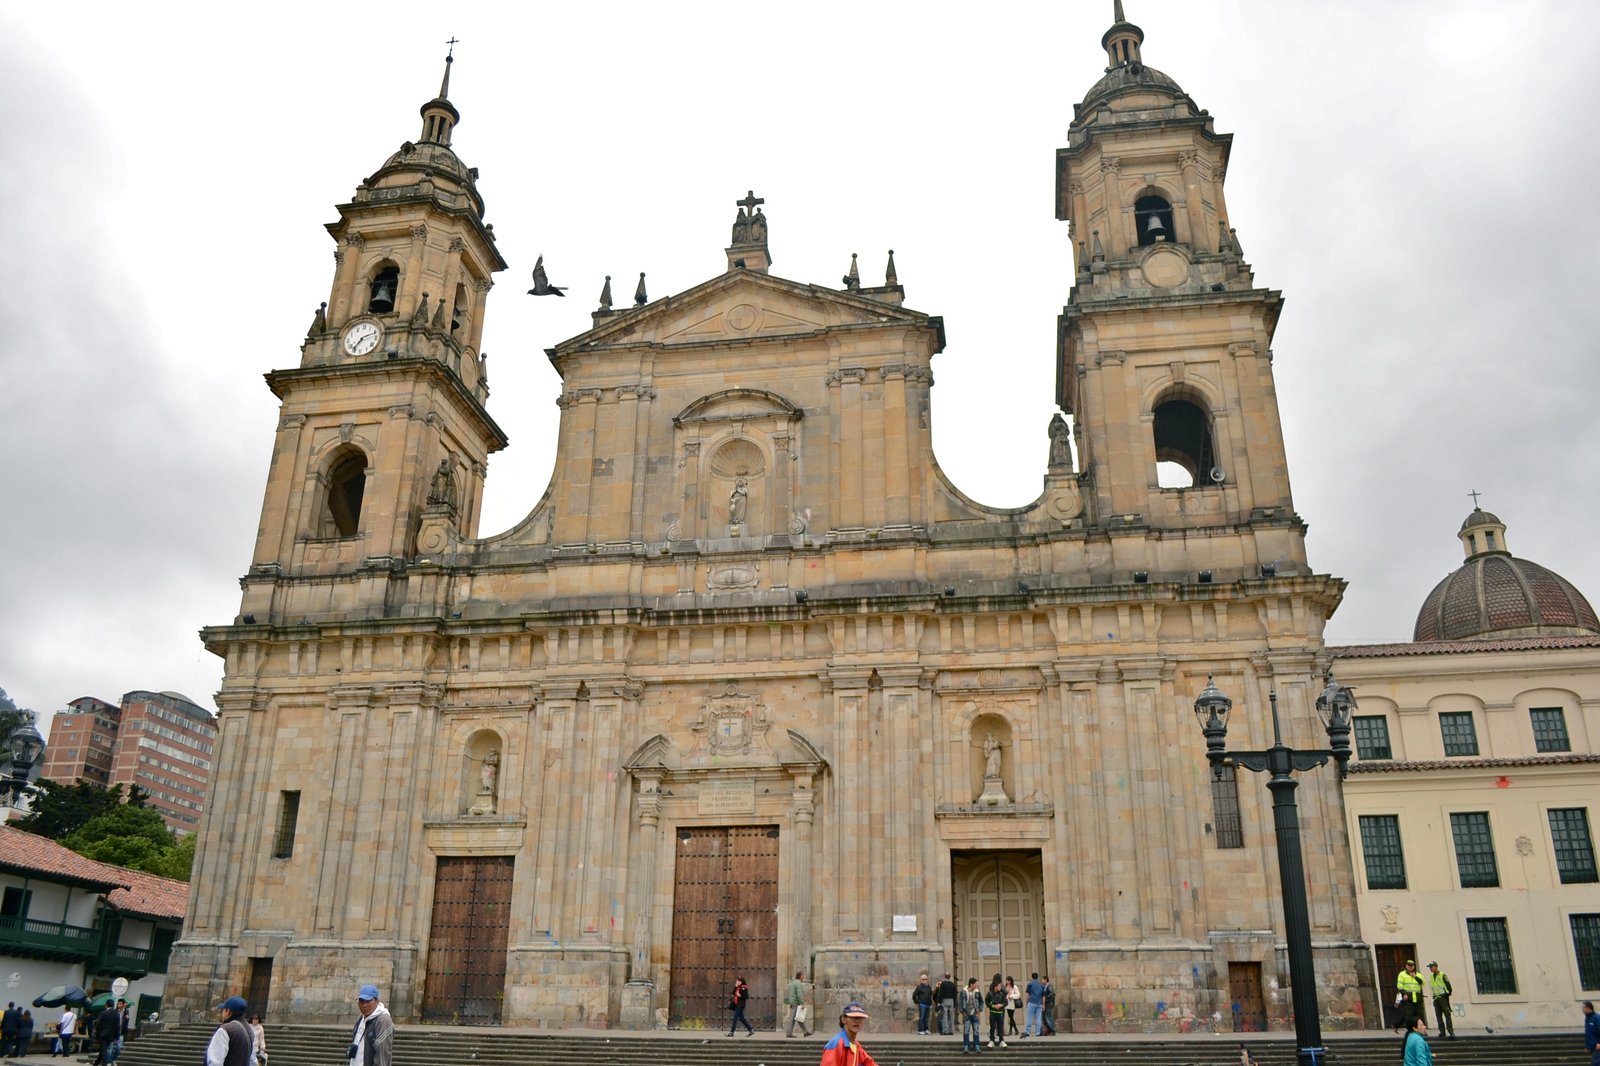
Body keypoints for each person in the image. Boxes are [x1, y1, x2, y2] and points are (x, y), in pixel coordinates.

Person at [820, 1001, 876, 1066]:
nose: (857, 1020)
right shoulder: (836, 1044)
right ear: (844, 1020)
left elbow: (869, 1063)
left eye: (860, 1017)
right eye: (853, 1017)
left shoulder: (856, 1046)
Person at [351, 985, 392, 1066]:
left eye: (368, 1001)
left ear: (377, 1001)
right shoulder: (361, 1017)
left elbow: (382, 1055)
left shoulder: (383, 1020)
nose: (364, 1005)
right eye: (361, 1001)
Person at [207, 996, 253, 1066]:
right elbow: (253, 1060)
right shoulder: (249, 1028)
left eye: (223, 1010)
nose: (222, 1013)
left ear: (228, 1012)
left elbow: (215, 1062)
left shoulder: (224, 1030)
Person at [1424, 962, 1453, 1039]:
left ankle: (1451, 1031)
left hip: (1443, 997)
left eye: (1431, 967)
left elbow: (1448, 985)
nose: (1430, 969)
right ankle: (1442, 1032)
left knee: (1447, 1014)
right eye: (1429, 967)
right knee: (1438, 1015)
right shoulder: (1431, 977)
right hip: (1436, 998)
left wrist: (1447, 994)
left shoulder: (1442, 975)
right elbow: (1432, 988)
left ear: (1436, 967)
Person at [1395, 959, 1425, 1032]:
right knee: (1409, 1015)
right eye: (1408, 965)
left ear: (1414, 966)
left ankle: (1422, 1030)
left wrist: (1415, 976)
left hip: (1418, 998)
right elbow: (1400, 986)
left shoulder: (1419, 975)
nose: (1410, 967)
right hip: (1408, 998)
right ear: (1406, 966)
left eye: (1411, 966)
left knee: (1420, 1015)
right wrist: (1404, 994)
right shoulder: (1402, 974)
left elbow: (1422, 982)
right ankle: (1410, 1031)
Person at [785, 971, 812, 1039]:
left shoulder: (793, 982)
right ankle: (789, 1033)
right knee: (793, 1018)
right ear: (800, 976)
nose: (803, 977)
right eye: (803, 976)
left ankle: (805, 1032)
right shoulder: (798, 983)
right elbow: (799, 994)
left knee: (798, 1017)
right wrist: (802, 1003)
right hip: (795, 1002)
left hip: (792, 1002)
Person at [958, 978, 982, 1054]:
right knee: (966, 1031)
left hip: (974, 1014)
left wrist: (979, 1010)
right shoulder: (963, 992)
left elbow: (981, 1002)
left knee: (976, 1031)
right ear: (971, 984)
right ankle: (966, 1046)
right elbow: (960, 1003)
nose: (976, 985)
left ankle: (977, 1045)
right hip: (967, 1014)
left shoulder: (977, 992)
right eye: (975, 984)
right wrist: (962, 1012)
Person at [985, 978, 1007, 1048]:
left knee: (1000, 1027)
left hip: (1000, 1013)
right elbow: (987, 1002)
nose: (1000, 987)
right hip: (993, 1013)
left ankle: (1001, 1041)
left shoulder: (1001, 994)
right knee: (992, 1027)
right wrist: (993, 1006)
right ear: (995, 987)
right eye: (999, 986)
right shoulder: (990, 994)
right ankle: (992, 1041)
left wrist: (1001, 1005)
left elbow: (1006, 1002)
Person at [1022, 972, 1043, 1038]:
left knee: (1030, 1017)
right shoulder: (1041, 985)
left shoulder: (1030, 984)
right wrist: (1043, 1004)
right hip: (1039, 1003)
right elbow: (1043, 996)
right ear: (1037, 977)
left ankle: (1028, 1031)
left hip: (1032, 1002)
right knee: (1038, 1018)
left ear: (1032, 977)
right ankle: (1038, 1032)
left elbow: (1027, 994)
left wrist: (1026, 1002)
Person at [1585, 1000, 1599, 1066]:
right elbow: (1588, 1034)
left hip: (1597, 1046)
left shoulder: (1597, 1018)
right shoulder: (1587, 1019)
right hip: (1593, 1046)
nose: (1582, 1010)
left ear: (1588, 1008)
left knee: (1596, 1063)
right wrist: (1588, 1046)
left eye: (1583, 1008)